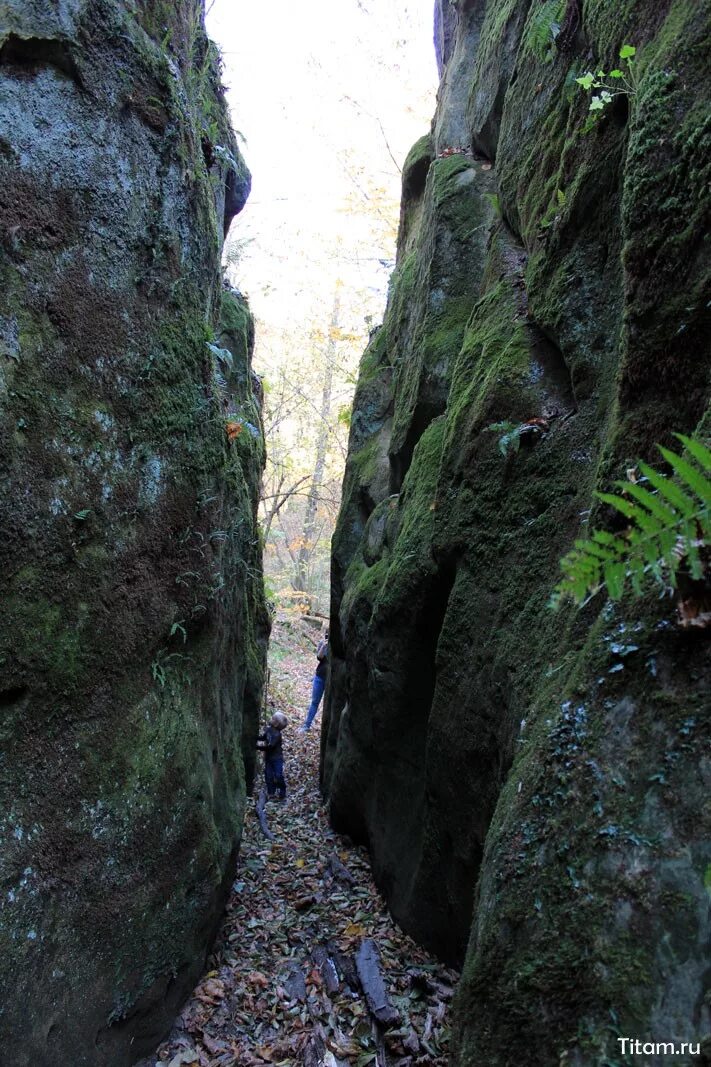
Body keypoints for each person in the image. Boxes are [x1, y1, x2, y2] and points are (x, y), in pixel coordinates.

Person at [257, 711, 288, 800]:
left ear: (276, 724)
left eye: (273, 718)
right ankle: (271, 792)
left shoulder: (277, 735)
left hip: (277, 758)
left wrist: (258, 747)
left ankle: (282, 790)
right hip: (269, 758)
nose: (271, 719)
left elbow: (270, 747)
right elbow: (264, 737)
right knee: (268, 775)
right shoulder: (268, 729)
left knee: (278, 775)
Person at [301, 631, 328, 732]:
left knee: (328, 704)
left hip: (331, 680)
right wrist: (324, 646)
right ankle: (306, 725)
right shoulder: (323, 643)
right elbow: (319, 657)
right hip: (320, 677)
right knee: (314, 702)